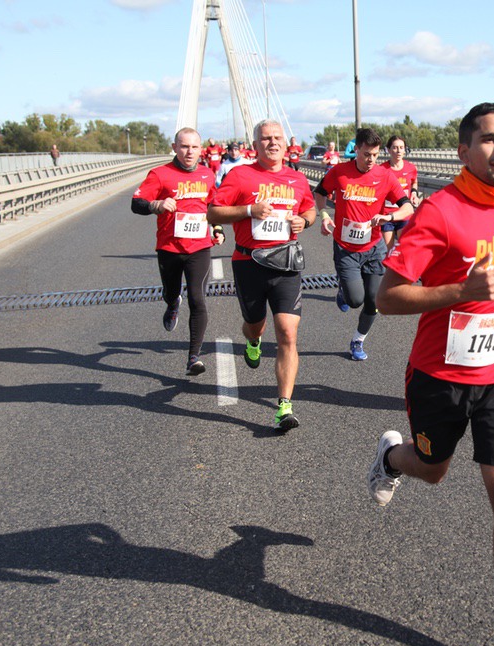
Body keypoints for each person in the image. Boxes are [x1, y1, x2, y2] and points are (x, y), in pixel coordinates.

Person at [367, 103, 494, 646]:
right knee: (433, 470)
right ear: (464, 150)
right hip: (439, 376)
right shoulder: (441, 211)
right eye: (490, 139)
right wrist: (460, 292)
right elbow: (387, 297)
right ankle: (392, 458)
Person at [207, 119, 316, 431]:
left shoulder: (297, 178)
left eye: (277, 137)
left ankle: (284, 406)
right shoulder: (240, 175)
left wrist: (305, 221)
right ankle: (252, 340)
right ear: (255, 145)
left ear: (286, 143)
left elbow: (308, 209)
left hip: (286, 264)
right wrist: (248, 211)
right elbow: (213, 212)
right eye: (266, 138)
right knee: (255, 325)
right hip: (248, 263)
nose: (273, 143)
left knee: (287, 333)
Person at [314, 128, 414, 361]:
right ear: (356, 150)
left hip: (374, 247)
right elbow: (319, 193)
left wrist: (389, 217)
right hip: (346, 249)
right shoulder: (340, 172)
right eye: (367, 154)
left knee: (373, 300)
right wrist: (324, 215)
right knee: (355, 300)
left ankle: (357, 340)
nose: (371, 160)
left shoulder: (385, 175)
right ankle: (344, 291)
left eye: (375, 155)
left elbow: (408, 206)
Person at [131, 127, 223, 376]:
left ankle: (194, 357)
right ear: (174, 148)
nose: (189, 152)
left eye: (194, 147)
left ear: (201, 149)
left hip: (199, 247)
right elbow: (136, 203)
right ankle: (172, 303)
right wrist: (156, 204)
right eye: (184, 146)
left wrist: (217, 228)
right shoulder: (160, 174)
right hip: (169, 247)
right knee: (172, 291)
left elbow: (213, 206)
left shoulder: (207, 174)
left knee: (198, 299)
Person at [380, 135, 421, 249]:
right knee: (389, 251)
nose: (398, 151)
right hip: (387, 215)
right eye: (395, 147)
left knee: (404, 248)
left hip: (404, 214)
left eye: (401, 148)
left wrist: (414, 193)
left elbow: (414, 181)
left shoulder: (411, 168)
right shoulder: (382, 169)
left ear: (405, 150)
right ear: (388, 150)